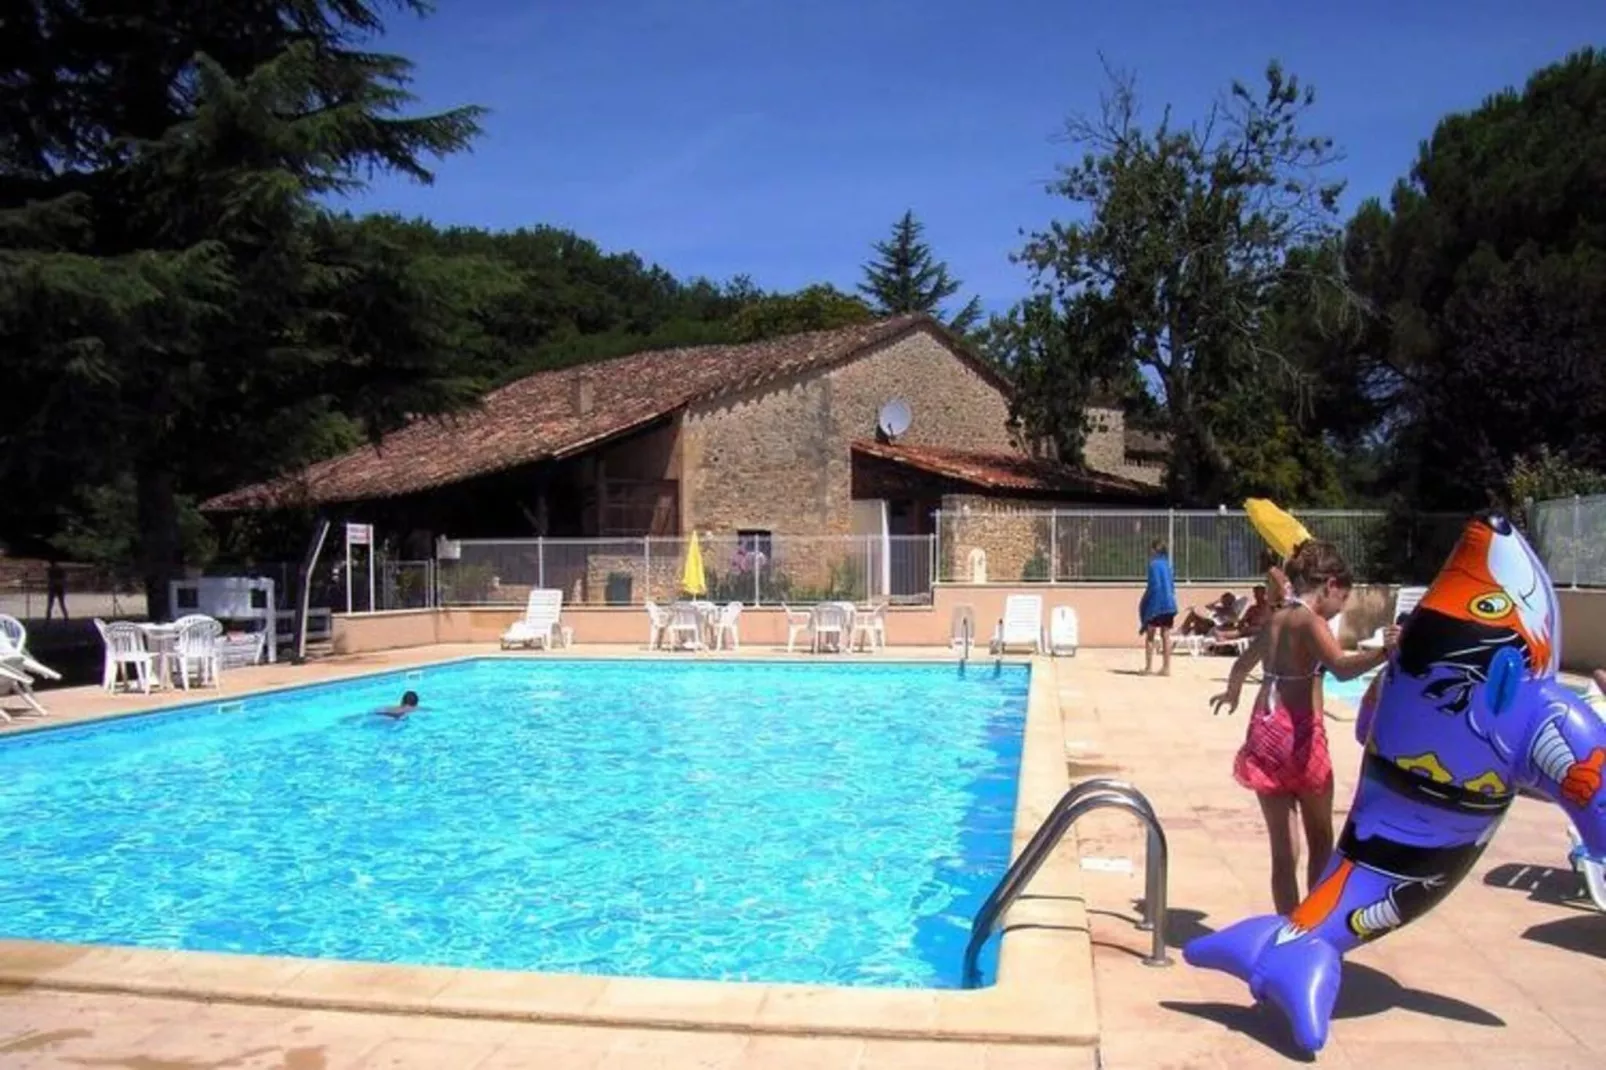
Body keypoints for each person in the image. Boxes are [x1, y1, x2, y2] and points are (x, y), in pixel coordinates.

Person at [1210, 539, 1400, 915]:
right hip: (1300, 735)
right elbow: (1341, 668)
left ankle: (1287, 927)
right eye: (1342, 600)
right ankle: (1311, 926)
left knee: (1284, 853)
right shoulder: (1311, 622)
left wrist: (1231, 694)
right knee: (1320, 839)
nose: (1339, 610)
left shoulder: (1276, 618)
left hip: (1265, 733)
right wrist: (1383, 653)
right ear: (1329, 585)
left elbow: (1242, 665)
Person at [1139, 540, 1178, 676]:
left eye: (1151, 549)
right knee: (1165, 635)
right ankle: (1166, 668)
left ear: (1155, 550)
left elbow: (1154, 586)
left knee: (1150, 635)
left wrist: (1146, 603)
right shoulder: (1168, 566)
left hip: (1156, 604)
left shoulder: (1153, 565)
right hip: (1169, 604)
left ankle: (1148, 667)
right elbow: (1171, 586)